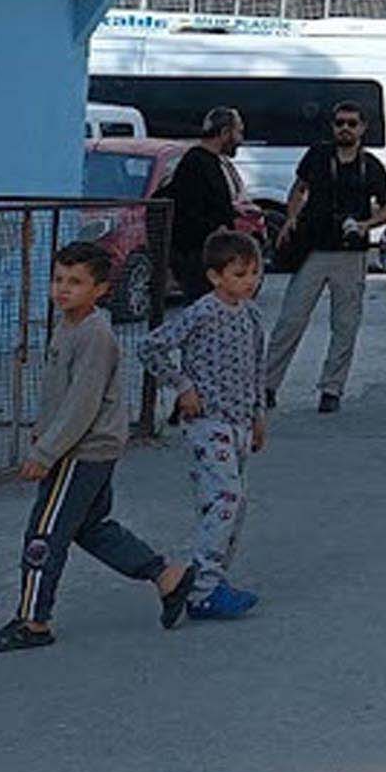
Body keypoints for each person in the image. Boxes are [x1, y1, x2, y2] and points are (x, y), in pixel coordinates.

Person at [0, 240, 193, 652]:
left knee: (43, 535)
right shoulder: (69, 325)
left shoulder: (94, 336)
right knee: (91, 528)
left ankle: (33, 621)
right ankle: (168, 576)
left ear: (101, 289)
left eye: (75, 282)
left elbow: (82, 403)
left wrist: (46, 452)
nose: (63, 289)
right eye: (58, 279)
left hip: (80, 452)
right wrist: (44, 430)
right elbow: (63, 392)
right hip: (81, 447)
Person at [144, 229, 269, 622]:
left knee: (234, 504)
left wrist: (258, 415)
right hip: (207, 422)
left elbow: (258, 367)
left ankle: (214, 579)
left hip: (240, 423)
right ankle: (202, 586)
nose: (249, 282)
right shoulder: (202, 312)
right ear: (216, 276)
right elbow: (152, 347)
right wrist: (183, 386)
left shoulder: (252, 315)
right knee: (225, 498)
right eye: (239, 274)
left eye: (254, 273)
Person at [263, 101, 386, 414]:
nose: (345, 128)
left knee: (345, 325)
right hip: (313, 249)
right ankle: (267, 385)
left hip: (351, 253)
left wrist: (365, 225)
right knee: (291, 320)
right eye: (340, 123)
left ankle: (331, 389)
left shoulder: (371, 166)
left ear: (363, 128)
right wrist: (291, 218)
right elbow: (299, 188)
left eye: (351, 123)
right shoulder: (318, 155)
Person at [162, 107, 245, 309]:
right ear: (225, 133)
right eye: (238, 132)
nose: (240, 139)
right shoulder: (196, 162)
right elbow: (189, 210)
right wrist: (216, 228)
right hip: (198, 258)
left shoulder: (211, 162)